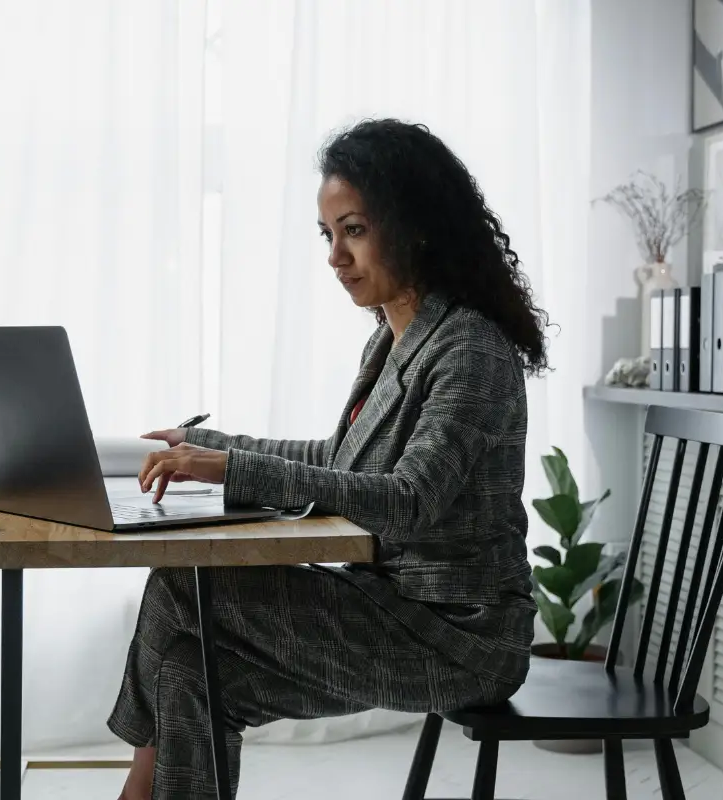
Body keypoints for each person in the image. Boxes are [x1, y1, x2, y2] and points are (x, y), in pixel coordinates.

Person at [107, 118, 550, 800]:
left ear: (416, 226)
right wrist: (214, 448)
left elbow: (406, 502)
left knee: (179, 581)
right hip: (392, 610)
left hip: (457, 640)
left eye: (355, 230)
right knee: (189, 671)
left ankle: (134, 790)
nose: (335, 255)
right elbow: (344, 459)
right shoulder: (393, 340)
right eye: (329, 234)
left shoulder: (470, 350)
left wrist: (227, 470)